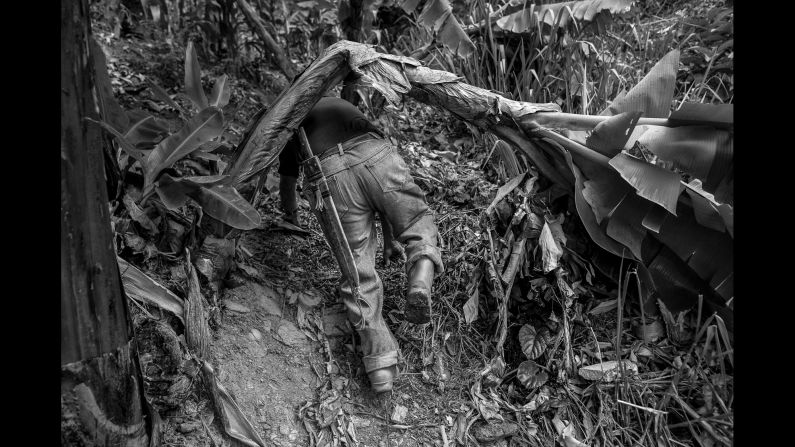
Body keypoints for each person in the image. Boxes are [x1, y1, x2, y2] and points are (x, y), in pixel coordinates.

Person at [277, 96, 444, 393]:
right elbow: (379, 195)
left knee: (358, 271)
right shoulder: (339, 103)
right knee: (417, 221)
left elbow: (287, 182)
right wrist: (393, 240)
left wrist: (291, 216)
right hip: (376, 154)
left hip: (329, 172)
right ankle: (420, 277)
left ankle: (380, 365)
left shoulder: (292, 118)